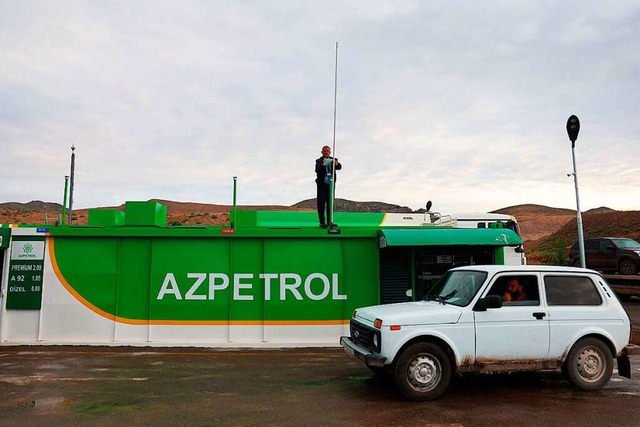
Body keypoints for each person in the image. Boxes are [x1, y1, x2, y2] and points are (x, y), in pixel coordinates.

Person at [315, 145, 342, 227]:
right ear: (322, 152)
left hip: (330, 185)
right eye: (324, 151)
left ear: (330, 152)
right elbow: (317, 170)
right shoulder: (318, 161)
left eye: (327, 151)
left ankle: (330, 222)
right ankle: (322, 222)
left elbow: (339, 167)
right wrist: (323, 164)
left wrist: (335, 163)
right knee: (321, 204)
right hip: (322, 185)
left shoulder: (333, 159)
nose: (326, 152)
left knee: (330, 204)